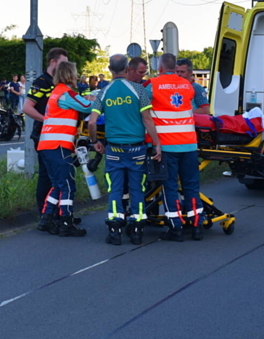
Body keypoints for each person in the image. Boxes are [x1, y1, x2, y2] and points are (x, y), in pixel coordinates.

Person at [88, 54, 161, 246]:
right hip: (137, 148)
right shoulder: (138, 89)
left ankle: (114, 231)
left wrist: (95, 141)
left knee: (115, 189)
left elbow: (93, 121)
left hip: (114, 150)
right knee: (137, 188)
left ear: (110, 69)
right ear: (127, 68)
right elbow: (147, 119)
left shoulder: (103, 92)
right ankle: (137, 230)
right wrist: (157, 144)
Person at [37, 61, 94, 237]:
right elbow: (87, 107)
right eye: (75, 74)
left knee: (57, 184)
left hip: (47, 145)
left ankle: (46, 219)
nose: (77, 77)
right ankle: (66, 222)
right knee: (68, 185)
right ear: (70, 75)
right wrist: (94, 99)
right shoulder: (66, 93)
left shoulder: (55, 93)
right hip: (59, 145)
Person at [150, 53, 203, 241]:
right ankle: (197, 225)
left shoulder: (153, 85)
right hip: (189, 144)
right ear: (174, 67)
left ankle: (176, 227)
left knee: (170, 187)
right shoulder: (187, 86)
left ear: (160, 67)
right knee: (191, 187)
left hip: (168, 146)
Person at [22, 47, 69, 219]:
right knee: (46, 175)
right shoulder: (43, 82)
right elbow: (27, 107)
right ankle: (44, 212)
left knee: (58, 176)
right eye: (63, 63)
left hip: (58, 137)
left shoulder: (59, 82)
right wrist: (48, 121)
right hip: (43, 135)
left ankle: (59, 212)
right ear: (53, 62)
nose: (65, 67)